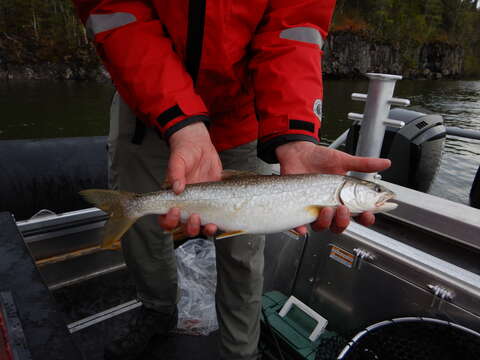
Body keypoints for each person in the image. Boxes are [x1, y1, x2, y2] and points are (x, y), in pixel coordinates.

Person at [73, 1, 391, 359]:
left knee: (244, 253)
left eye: (373, 189)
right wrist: (181, 122)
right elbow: (117, 14)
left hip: (245, 114)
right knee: (142, 237)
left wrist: (294, 134)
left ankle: (241, 352)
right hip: (145, 102)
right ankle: (157, 310)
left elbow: (293, 33)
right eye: (373, 189)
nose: (379, 193)